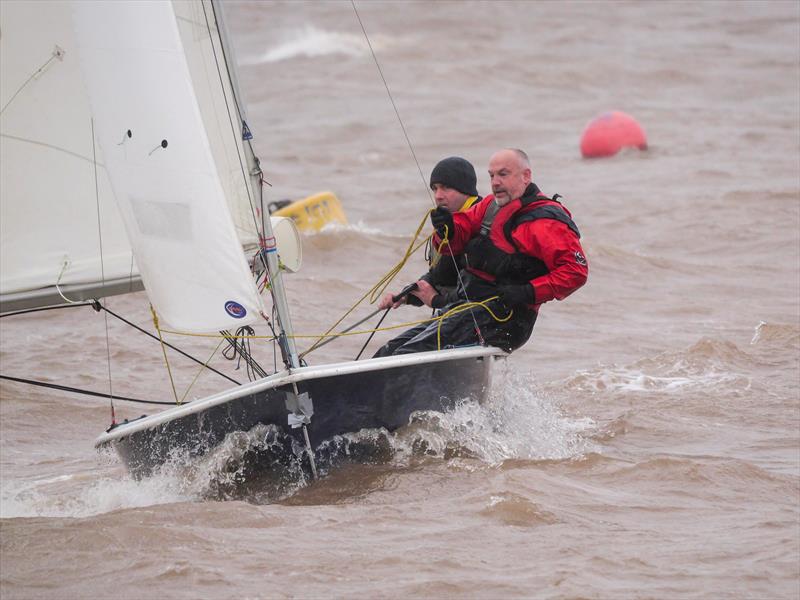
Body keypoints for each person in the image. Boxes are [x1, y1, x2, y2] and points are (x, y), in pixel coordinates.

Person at [374, 148, 588, 356]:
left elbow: (576, 272)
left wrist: (528, 292)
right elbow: (457, 238)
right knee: (390, 351)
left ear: (526, 176)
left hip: (507, 318)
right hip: (466, 309)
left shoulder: (546, 220)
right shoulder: (489, 206)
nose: (495, 182)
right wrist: (446, 228)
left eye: (503, 174)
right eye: (492, 175)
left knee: (409, 354)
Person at [378, 156, 481, 311]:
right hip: (451, 312)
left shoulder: (481, 225)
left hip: (476, 318)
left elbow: (477, 294)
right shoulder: (447, 223)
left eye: (445, 187)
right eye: (434, 188)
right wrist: (406, 295)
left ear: (465, 190)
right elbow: (441, 275)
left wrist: (436, 301)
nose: (438, 195)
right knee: (402, 337)